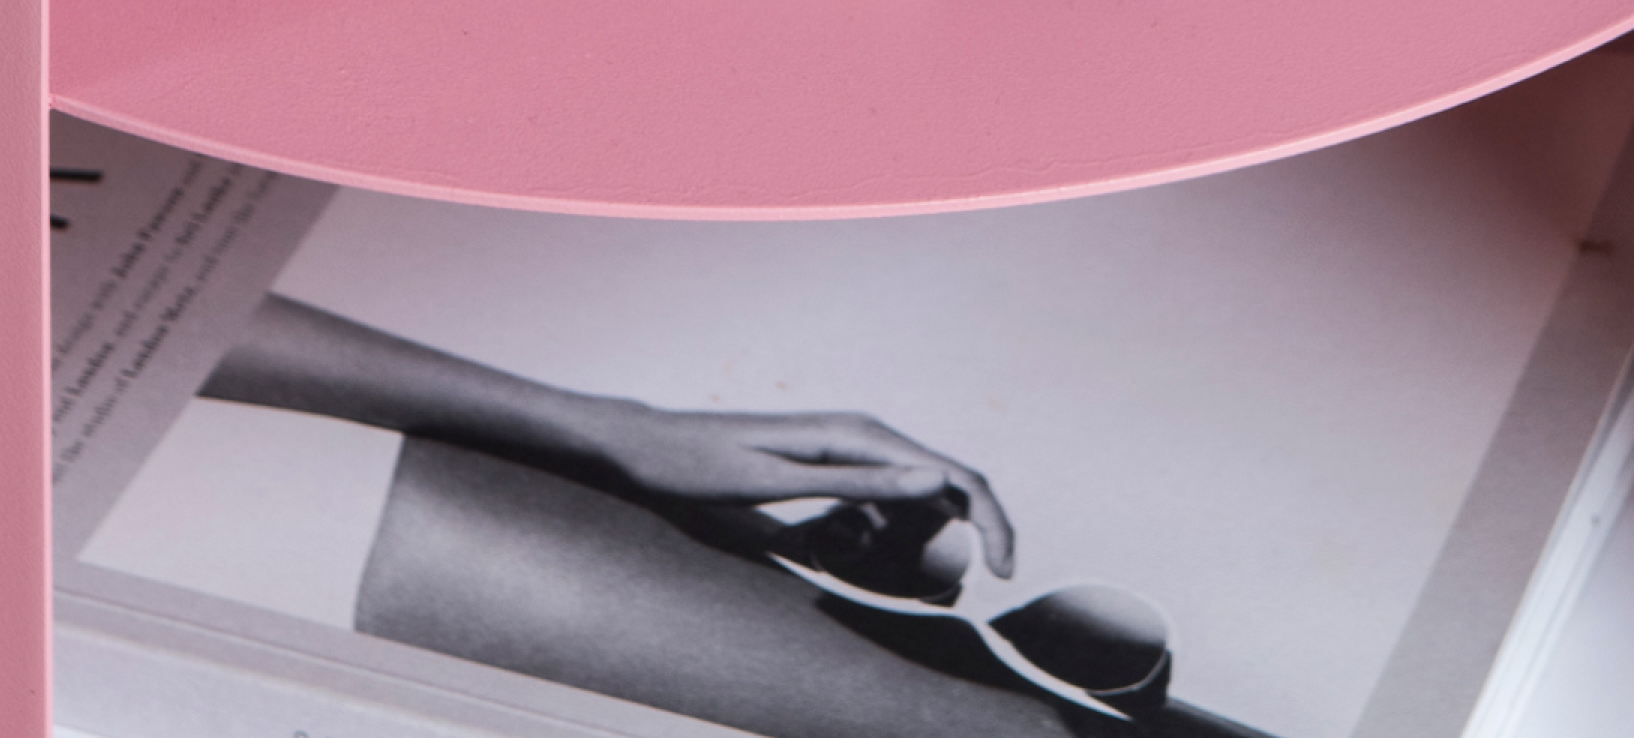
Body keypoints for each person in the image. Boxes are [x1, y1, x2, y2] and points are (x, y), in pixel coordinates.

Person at [197, 293, 1089, 738]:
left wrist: (611, 432)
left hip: (327, 495)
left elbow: (172, 308)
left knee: (1014, 721)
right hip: (268, 521)